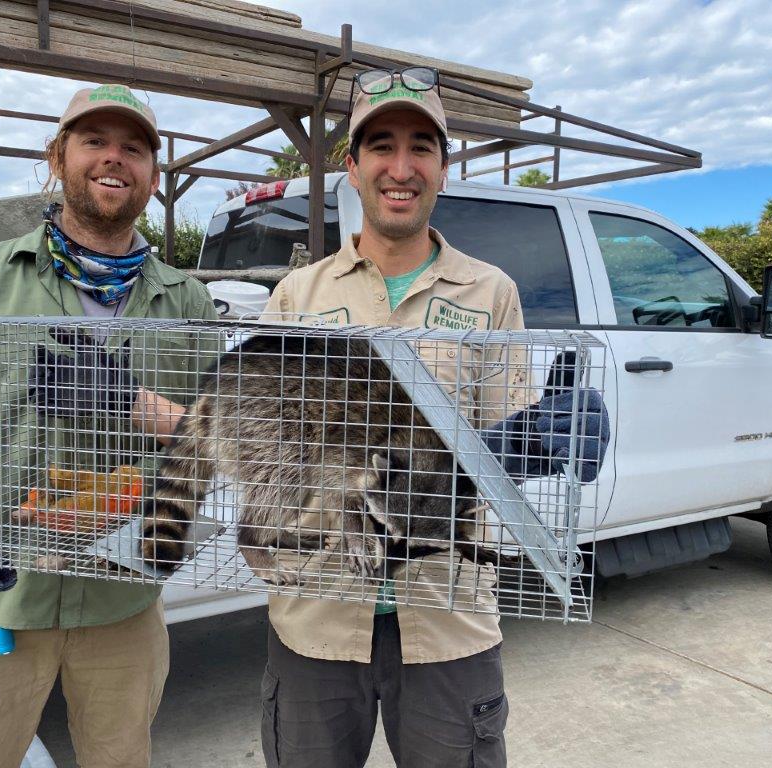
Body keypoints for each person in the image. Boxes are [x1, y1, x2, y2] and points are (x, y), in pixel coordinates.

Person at [0, 84, 216, 768]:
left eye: (134, 148)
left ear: (153, 173)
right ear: (56, 157)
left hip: (124, 600)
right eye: (94, 141)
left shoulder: (187, 299)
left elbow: (215, 444)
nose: (113, 159)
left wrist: (135, 405)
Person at [258, 67, 529, 768]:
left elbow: (510, 453)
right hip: (314, 622)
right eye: (380, 146)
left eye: (420, 147)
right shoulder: (297, 296)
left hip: (447, 622)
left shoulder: (491, 293)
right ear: (352, 166)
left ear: (444, 165)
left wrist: (550, 436)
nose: (400, 168)